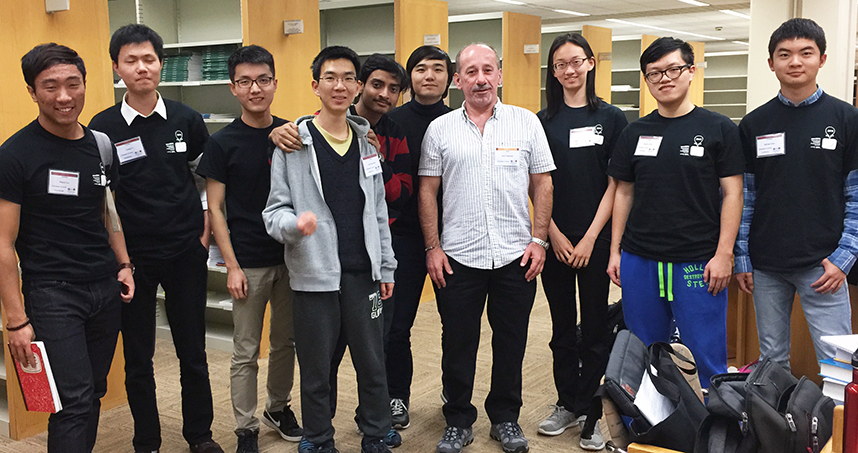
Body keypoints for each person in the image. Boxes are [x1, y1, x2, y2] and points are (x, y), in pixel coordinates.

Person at [89, 24, 221, 453]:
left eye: (149, 59)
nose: (141, 67)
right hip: (132, 260)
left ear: (161, 64)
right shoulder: (103, 128)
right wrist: (119, 257)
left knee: (192, 353)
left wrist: (203, 235)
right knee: (138, 359)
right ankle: (146, 439)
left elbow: (206, 181)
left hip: (185, 251)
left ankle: (199, 436)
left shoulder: (186, 119)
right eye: (131, 60)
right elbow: (103, 197)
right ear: (116, 68)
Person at [419, 43, 555, 453]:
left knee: (511, 341)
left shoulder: (526, 122)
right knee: (457, 343)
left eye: (488, 70)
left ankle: (505, 418)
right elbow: (428, 191)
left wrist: (539, 239)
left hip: (517, 257)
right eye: (471, 72)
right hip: (458, 258)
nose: (480, 79)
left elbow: (543, 184)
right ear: (457, 80)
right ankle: (458, 420)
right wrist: (433, 247)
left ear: (500, 74)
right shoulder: (439, 129)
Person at [0, 43, 135, 453]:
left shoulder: (100, 146)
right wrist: (16, 319)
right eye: (50, 86)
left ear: (85, 85)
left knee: (90, 391)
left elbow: (107, 212)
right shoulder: (15, 155)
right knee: (73, 400)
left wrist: (125, 264)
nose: (64, 96)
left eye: (72, 84)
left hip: (104, 288)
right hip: (53, 293)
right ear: (32, 91)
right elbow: (3, 242)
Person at [263, 45, 397, 453]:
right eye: (330, 78)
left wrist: (386, 267)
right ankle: (319, 438)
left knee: (373, 363)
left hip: (363, 274)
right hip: (313, 276)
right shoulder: (292, 144)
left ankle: (376, 431)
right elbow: (274, 212)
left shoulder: (367, 144)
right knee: (317, 368)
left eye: (347, 79)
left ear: (357, 87)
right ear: (315, 85)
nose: (339, 86)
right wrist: (295, 225)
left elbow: (378, 212)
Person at [606, 37, 744, 388]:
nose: (664, 79)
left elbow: (733, 193)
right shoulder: (634, 131)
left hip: (698, 260)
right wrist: (615, 251)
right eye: (654, 73)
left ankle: (719, 430)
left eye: (673, 69)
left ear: (691, 72)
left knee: (707, 353)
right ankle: (647, 429)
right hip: (640, 259)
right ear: (647, 80)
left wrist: (724, 253)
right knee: (642, 349)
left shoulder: (719, 129)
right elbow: (623, 191)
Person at [195, 45, 302, 453]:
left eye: (262, 79)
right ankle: (245, 427)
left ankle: (279, 407)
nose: (255, 88)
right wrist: (231, 266)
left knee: (286, 342)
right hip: (249, 264)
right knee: (245, 350)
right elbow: (216, 210)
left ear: (275, 82)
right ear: (233, 88)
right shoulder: (223, 143)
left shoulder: (294, 133)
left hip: (292, 259)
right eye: (245, 81)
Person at [734, 18, 858, 368]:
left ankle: (836, 424)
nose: (795, 62)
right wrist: (742, 257)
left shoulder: (847, 119)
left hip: (824, 265)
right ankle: (778, 423)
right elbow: (747, 197)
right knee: (772, 360)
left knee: (838, 363)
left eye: (806, 53)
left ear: (822, 59)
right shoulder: (754, 124)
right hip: (766, 265)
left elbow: (857, 197)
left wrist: (844, 259)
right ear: (771, 63)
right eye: (784, 54)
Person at [536, 33, 628, 451]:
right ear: (553, 72)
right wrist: (551, 233)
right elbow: (535, 183)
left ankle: (591, 411)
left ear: (591, 63)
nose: (568, 70)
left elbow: (616, 185)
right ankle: (565, 403)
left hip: (595, 238)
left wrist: (592, 238)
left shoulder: (611, 119)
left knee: (593, 328)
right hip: (554, 239)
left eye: (576, 62)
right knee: (560, 329)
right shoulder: (542, 121)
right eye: (560, 64)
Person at [328, 55, 409, 446]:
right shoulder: (321, 126)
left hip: (378, 258)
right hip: (330, 258)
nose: (385, 94)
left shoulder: (394, 135)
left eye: (393, 89)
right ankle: (320, 424)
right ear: (360, 84)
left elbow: (401, 193)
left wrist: (377, 157)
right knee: (327, 348)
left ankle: (373, 420)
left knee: (375, 343)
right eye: (377, 84)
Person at [385, 45, 454, 429]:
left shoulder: (461, 120)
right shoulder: (391, 121)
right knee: (397, 325)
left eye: (438, 69)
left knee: (456, 323)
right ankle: (398, 396)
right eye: (421, 69)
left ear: (450, 78)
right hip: (403, 240)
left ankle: (453, 390)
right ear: (409, 77)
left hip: (455, 239)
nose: (429, 76)